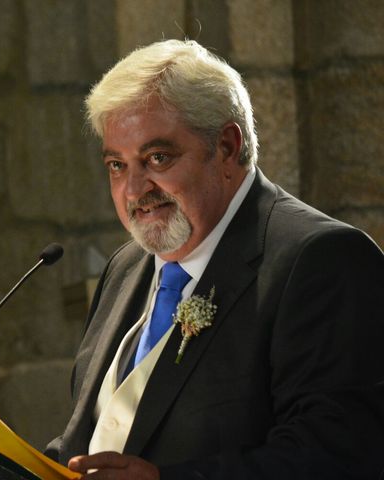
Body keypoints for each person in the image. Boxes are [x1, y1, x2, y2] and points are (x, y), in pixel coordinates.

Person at [45, 39, 384, 479]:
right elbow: (95, 436)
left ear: (226, 147)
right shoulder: (125, 267)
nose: (133, 190)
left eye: (157, 158)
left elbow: (340, 455)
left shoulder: (322, 260)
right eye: (116, 165)